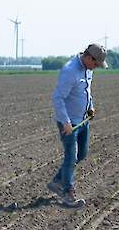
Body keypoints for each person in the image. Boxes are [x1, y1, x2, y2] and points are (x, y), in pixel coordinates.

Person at [46, 43, 108, 208]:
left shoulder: (88, 69)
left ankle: (57, 182)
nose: (96, 68)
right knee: (71, 157)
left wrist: (90, 106)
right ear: (89, 58)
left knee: (81, 154)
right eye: (95, 64)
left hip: (82, 120)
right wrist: (65, 121)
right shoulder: (70, 71)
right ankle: (68, 193)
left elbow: (86, 91)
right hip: (69, 124)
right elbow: (58, 98)